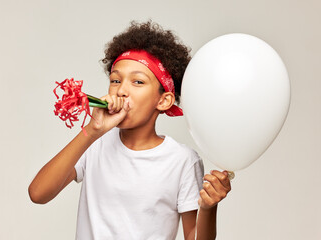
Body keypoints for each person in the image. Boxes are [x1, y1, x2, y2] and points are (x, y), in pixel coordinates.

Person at [28, 20, 231, 240]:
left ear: (163, 101)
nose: (122, 90)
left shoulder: (182, 161)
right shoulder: (95, 143)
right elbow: (38, 193)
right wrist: (92, 131)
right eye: (115, 80)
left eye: (138, 82)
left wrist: (209, 209)